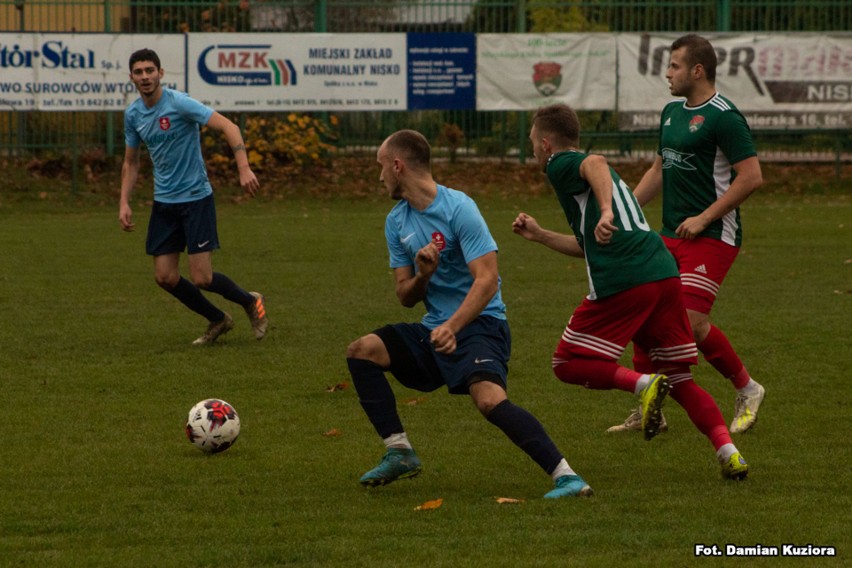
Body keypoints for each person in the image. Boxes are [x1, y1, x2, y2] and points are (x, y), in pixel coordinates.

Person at [345, 129, 592, 499]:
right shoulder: (396, 221)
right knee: (362, 350)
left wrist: (452, 325)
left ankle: (567, 477)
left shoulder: (459, 208)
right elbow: (404, 296)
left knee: (489, 400)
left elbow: (487, 281)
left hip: (481, 325)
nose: (379, 176)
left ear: (397, 166)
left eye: (381, 167)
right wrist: (424, 277)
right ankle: (399, 451)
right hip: (436, 330)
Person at [513, 103, 748, 480]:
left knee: (566, 363)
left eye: (531, 141)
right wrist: (540, 235)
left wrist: (605, 211)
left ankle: (643, 383)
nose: (532, 149)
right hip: (663, 271)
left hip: (625, 278)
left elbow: (597, 162)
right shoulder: (595, 181)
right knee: (681, 379)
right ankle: (729, 452)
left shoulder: (562, 163)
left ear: (544, 142)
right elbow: (585, 244)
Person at [609, 34, 765, 435]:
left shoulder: (724, 116)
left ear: (697, 70)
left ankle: (748, 388)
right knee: (645, 314)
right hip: (668, 234)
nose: (668, 73)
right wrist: (624, 211)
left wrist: (704, 217)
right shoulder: (670, 112)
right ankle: (651, 411)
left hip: (713, 235)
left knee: (693, 324)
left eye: (675, 65)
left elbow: (752, 177)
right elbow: (657, 171)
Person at [118, 48, 267, 345]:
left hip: (196, 199)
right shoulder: (133, 115)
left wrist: (244, 168)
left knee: (202, 277)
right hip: (164, 203)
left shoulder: (179, 103)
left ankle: (250, 301)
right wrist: (124, 201)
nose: (145, 77)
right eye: (139, 72)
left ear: (161, 74)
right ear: (132, 77)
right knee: (164, 277)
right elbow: (131, 162)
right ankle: (218, 319)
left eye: (150, 70)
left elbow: (229, 126)